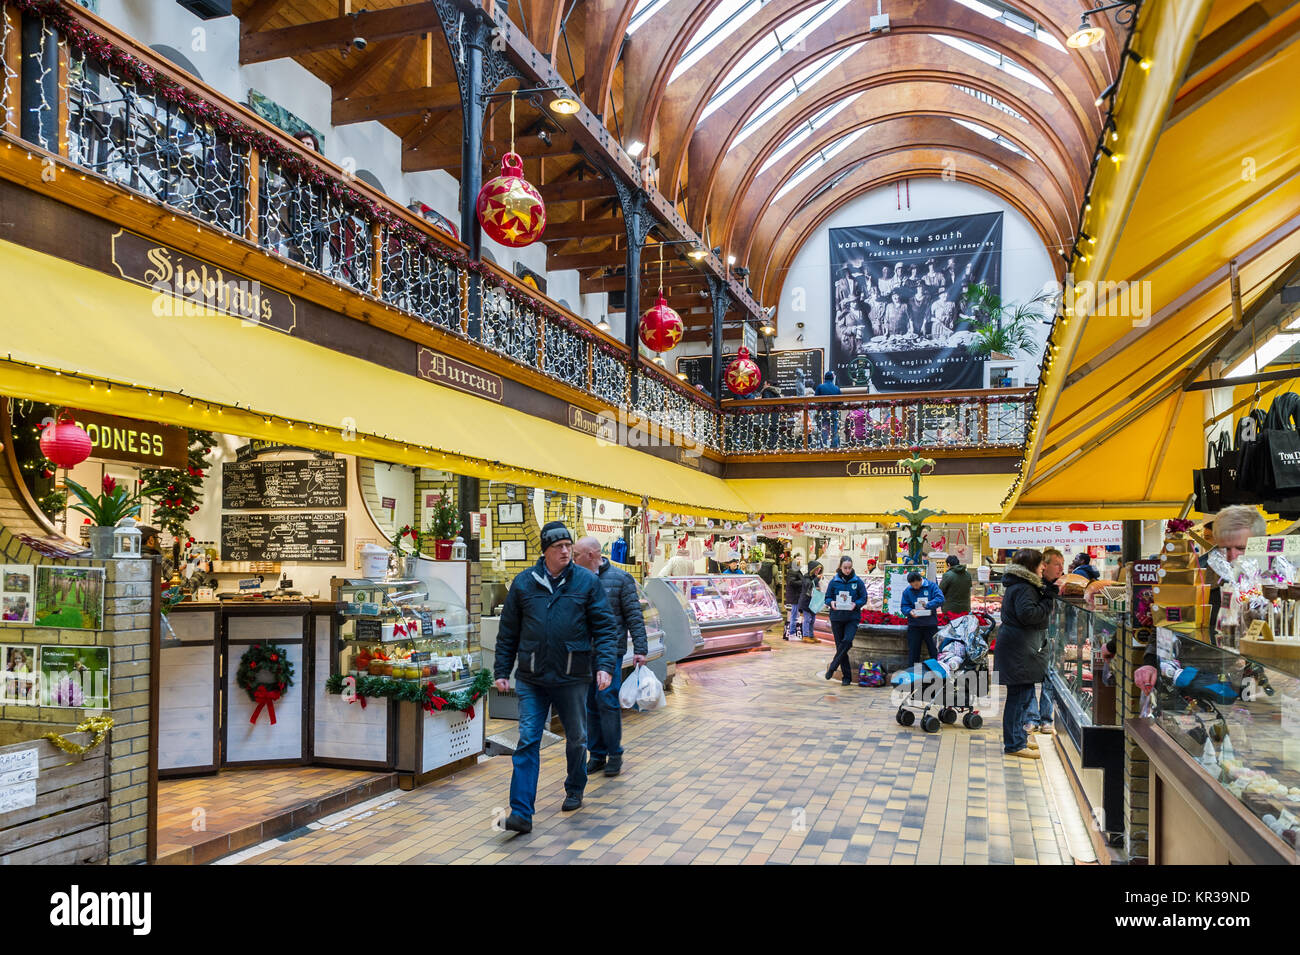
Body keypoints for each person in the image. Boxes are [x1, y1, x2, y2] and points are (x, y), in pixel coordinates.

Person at [493, 522, 621, 833]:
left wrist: (604, 665)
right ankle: (521, 813)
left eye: (568, 545)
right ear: (545, 552)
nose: (565, 551)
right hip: (532, 676)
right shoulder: (523, 584)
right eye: (558, 546)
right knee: (527, 741)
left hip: (573, 674)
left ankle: (575, 786)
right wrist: (501, 670)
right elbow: (508, 632)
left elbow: (605, 629)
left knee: (576, 738)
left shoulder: (587, 583)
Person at [572, 537, 647, 779]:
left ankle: (615, 753)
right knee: (590, 703)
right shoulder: (576, 579)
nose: (573, 559)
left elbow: (634, 615)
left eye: (576, 555)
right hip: (584, 652)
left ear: (591, 554)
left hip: (610, 651)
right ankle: (596, 754)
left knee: (606, 699)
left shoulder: (621, 579)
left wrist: (640, 648)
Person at [994, 548, 1056, 760]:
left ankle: (1018, 737)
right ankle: (1014, 744)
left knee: (1023, 695)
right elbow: (1028, 615)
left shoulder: (1022, 585)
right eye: (1041, 564)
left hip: (1018, 647)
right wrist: (1048, 600)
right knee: (1018, 697)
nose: (1044, 568)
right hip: (1018, 650)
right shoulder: (1024, 588)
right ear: (1032, 567)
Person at [1026, 547, 1065, 737]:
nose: (1060, 569)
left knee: (1050, 677)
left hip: (1055, 637)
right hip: (1035, 637)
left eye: (1062, 565)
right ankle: (1032, 717)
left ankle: (1046, 719)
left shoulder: (1063, 585)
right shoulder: (1035, 586)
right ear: (1045, 565)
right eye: (1057, 564)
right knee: (1032, 677)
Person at [822, 556, 867, 684]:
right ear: (840, 567)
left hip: (852, 618)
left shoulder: (857, 581)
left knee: (847, 641)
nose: (847, 570)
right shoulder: (834, 581)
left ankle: (833, 666)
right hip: (837, 618)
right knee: (841, 647)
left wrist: (856, 604)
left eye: (849, 568)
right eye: (845, 568)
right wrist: (832, 603)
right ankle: (846, 677)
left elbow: (864, 597)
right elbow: (827, 597)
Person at [900, 571, 945, 666]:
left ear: (921, 580)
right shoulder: (907, 591)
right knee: (914, 653)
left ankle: (937, 675)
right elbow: (904, 606)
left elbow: (940, 599)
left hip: (930, 625)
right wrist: (909, 611)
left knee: (934, 652)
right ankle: (915, 675)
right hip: (914, 626)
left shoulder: (931, 586)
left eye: (917, 584)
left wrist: (927, 606)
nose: (915, 587)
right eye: (913, 585)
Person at [796, 560, 823, 644]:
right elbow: (809, 585)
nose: (818, 571)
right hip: (806, 602)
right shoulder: (806, 577)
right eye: (817, 569)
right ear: (812, 569)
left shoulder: (814, 577)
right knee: (807, 619)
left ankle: (811, 635)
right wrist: (816, 579)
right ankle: (805, 636)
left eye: (819, 569)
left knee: (813, 620)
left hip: (813, 602)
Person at [814, 372, 841, 449]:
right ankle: (834, 447)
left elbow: (815, 400)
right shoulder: (836, 388)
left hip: (823, 412)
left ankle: (824, 447)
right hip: (833, 412)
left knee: (824, 430)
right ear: (832, 378)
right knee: (834, 430)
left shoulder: (820, 387)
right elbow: (841, 402)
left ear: (825, 378)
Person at [783, 552, 805, 640]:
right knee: (794, 615)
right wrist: (802, 582)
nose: (799, 560)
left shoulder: (796, 569)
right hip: (794, 596)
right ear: (794, 559)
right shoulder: (793, 570)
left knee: (795, 615)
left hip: (796, 596)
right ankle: (792, 634)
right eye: (797, 559)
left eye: (801, 559)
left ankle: (793, 634)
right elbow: (791, 582)